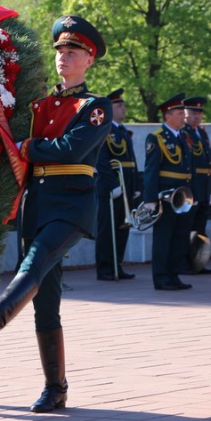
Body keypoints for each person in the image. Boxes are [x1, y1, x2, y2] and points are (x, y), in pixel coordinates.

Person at [0, 15, 111, 413]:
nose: (64, 57)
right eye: (60, 51)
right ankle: (56, 387)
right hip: (37, 203)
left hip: (72, 203)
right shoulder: (38, 106)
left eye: (73, 52)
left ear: (89, 60)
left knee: (36, 261)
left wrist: (30, 147)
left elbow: (70, 150)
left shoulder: (95, 108)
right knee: (46, 300)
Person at [143, 93, 194, 291]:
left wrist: (193, 194)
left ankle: (174, 275)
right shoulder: (156, 138)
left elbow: (189, 169)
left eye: (184, 113)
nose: (184, 116)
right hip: (165, 197)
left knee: (180, 238)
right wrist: (150, 199)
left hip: (183, 196)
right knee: (163, 238)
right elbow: (151, 170)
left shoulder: (183, 136)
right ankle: (161, 277)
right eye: (180, 113)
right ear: (168, 116)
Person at [95, 88, 139, 281]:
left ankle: (117, 265)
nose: (123, 108)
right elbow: (101, 159)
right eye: (118, 105)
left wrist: (136, 185)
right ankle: (105, 268)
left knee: (123, 226)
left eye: (123, 105)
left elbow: (132, 160)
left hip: (126, 183)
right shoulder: (103, 129)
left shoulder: (123, 130)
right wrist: (112, 184)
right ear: (109, 108)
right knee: (107, 228)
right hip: (110, 184)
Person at [181, 96, 211, 275]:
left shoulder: (201, 133)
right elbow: (190, 165)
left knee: (200, 227)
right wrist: (191, 191)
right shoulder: (184, 134)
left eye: (199, 113)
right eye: (193, 113)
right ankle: (185, 262)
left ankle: (198, 261)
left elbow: (208, 164)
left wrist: (209, 189)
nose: (197, 116)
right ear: (185, 114)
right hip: (193, 185)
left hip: (204, 185)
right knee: (188, 226)